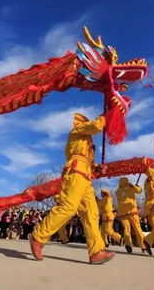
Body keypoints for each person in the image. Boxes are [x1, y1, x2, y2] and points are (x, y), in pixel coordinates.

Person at [29, 113, 114, 265]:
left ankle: (96, 251)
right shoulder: (77, 131)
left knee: (91, 214)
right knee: (68, 207)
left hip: (86, 177)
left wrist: (97, 169)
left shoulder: (88, 146)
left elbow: (90, 165)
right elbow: (96, 126)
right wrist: (108, 115)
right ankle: (38, 236)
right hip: (75, 173)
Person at [115, 176, 146, 254]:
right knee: (137, 230)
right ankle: (143, 247)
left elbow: (139, 190)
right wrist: (134, 187)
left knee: (127, 230)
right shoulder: (125, 189)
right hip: (131, 212)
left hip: (123, 214)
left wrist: (135, 187)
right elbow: (139, 191)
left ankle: (129, 244)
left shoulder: (118, 190)